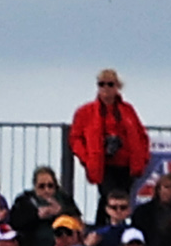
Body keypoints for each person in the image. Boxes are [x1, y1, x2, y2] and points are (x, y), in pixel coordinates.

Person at [63, 69, 154, 217]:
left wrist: (142, 158)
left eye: (110, 84)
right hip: (102, 163)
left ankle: (112, 228)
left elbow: (141, 135)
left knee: (121, 199)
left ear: (117, 86)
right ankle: (103, 229)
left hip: (126, 165)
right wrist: (87, 158)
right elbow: (75, 138)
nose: (105, 88)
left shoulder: (127, 110)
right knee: (109, 197)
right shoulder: (85, 112)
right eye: (101, 84)